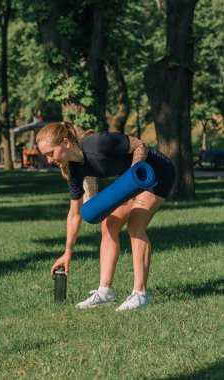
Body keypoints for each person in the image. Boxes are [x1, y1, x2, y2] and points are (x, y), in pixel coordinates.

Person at [37, 122, 175, 311]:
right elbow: (74, 214)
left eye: (50, 153)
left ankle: (141, 294)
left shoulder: (98, 143)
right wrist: (67, 252)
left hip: (156, 172)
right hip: (133, 180)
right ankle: (105, 292)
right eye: (46, 155)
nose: (49, 160)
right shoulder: (74, 171)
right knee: (109, 224)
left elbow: (140, 145)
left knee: (135, 225)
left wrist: (133, 177)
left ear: (66, 143)